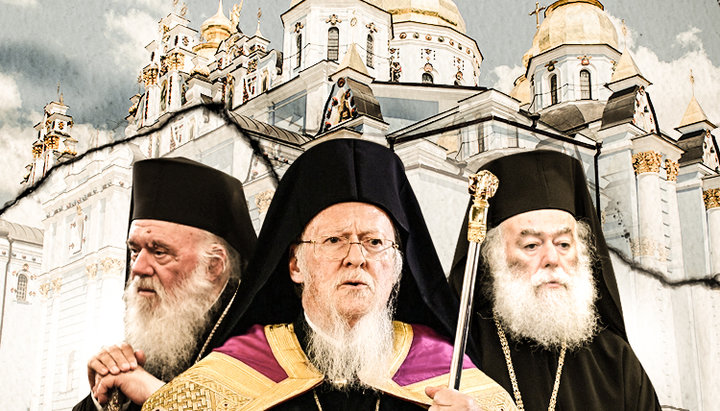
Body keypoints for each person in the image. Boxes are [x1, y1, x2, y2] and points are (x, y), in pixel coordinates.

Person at [136, 139, 517, 410]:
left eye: (374, 242)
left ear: (398, 266)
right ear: (296, 265)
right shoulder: (227, 380)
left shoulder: (456, 383)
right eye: (334, 240)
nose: (357, 258)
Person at [450, 150, 661, 411]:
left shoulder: (615, 362)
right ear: (495, 259)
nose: (552, 258)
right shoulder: (459, 356)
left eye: (563, 243)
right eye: (531, 245)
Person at [73, 157, 256, 410]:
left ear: (213, 265)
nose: (137, 268)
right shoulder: (163, 332)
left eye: (159, 252)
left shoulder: (260, 349)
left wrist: (158, 396)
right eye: (135, 250)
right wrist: (102, 396)